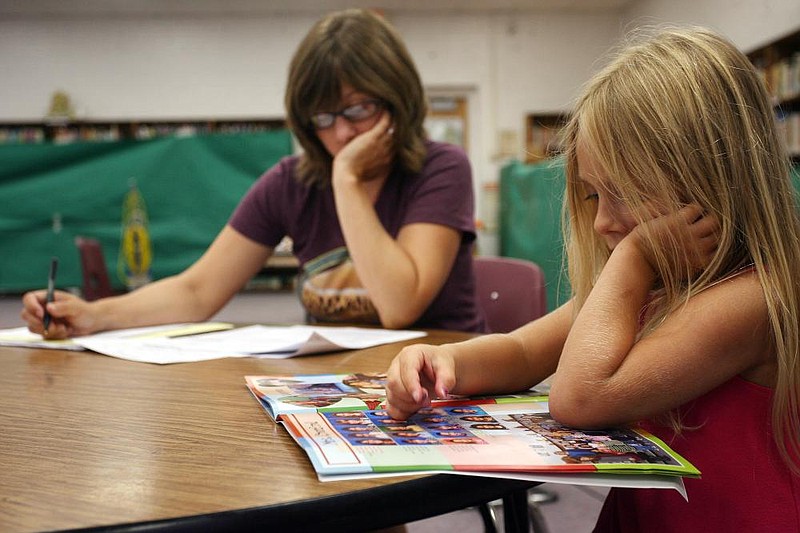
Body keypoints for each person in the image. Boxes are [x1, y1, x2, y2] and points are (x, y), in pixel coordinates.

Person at [385, 26, 800, 531]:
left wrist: (635, 255)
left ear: (709, 180)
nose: (602, 221)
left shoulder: (755, 298)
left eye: (624, 192)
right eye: (592, 196)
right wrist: (444, 361)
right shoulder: (649, 289)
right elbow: (521, 353)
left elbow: (582, 399)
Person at [21, 9, 486, 337]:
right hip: (341, 395)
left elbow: (400, 306)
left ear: (396, 97)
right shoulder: (291, 182)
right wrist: (93, 314)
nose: (342, 133)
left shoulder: (440, 168)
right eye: (322, 118)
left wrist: (346, 182)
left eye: (358, 109)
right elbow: (197, 290)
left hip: (443, 395)